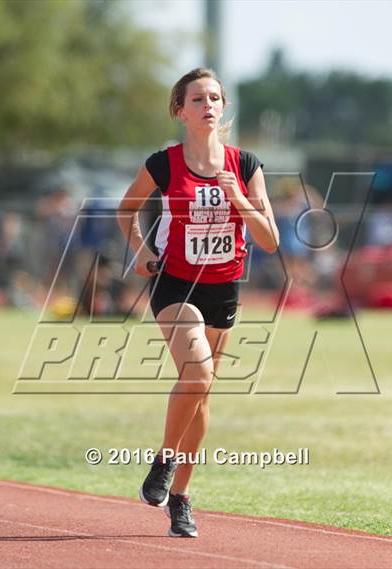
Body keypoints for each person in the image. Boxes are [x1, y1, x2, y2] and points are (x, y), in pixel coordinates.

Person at [117, 68, 279, 538]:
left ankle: (181, 499)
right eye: (197, 98)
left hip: (223, 289)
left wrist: (240, 201)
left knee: (201, 395)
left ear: (223, 108)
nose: (207, 105)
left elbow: (268, 240)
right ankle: (165, 460)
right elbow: (127, 208)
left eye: (214, 98)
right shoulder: (164, 163)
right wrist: (143, 252)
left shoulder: (245, 164)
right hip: (175, 285)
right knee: (198, 373)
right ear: (180, 110)